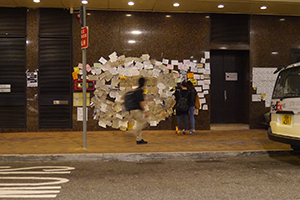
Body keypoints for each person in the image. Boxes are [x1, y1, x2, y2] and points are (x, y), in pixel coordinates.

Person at [129, 77, 149, 144]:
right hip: (137, 110)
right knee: (142, 123)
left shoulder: (136, 90)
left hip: (133, 109)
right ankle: (132, 131)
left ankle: (139, 139)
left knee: (139, 123)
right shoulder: (140, 91)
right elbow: (141, 102)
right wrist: (145, 111)